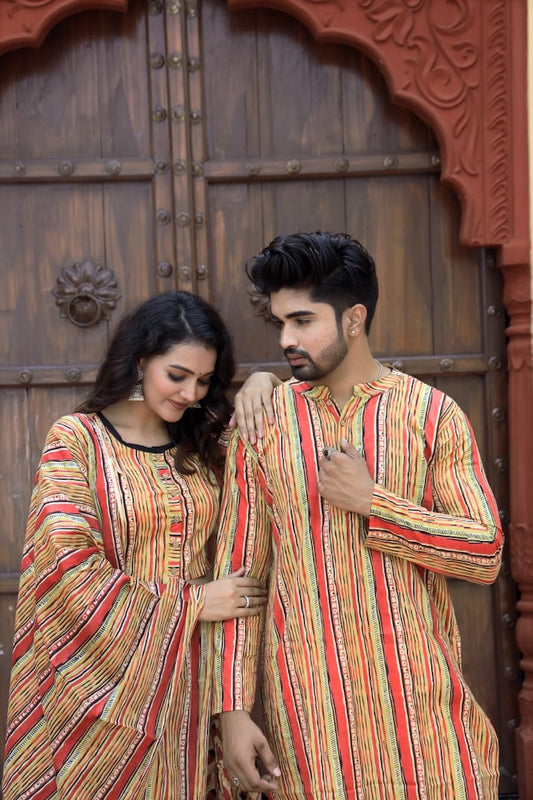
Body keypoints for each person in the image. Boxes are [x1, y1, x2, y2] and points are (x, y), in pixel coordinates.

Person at [213, 232, 504, 800]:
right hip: (313, 727)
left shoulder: (431, 413)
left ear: (353, 319)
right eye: (280, 323)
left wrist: (376, 505)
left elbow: (485, 553)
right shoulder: (263, 422)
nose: (286, 339)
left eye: (302, 320)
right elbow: (239, 577)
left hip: (425, 719)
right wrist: (233, 711)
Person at [1, 290, 279, 800]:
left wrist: (264, 380)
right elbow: (69, 566)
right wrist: (195, 601)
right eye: (177, 375)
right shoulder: (78, 440)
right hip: (97, 690)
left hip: (191, 681)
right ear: (139, 361)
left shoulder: (207, 444)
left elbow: (267, 454)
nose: (191, 393)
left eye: (204, 380)